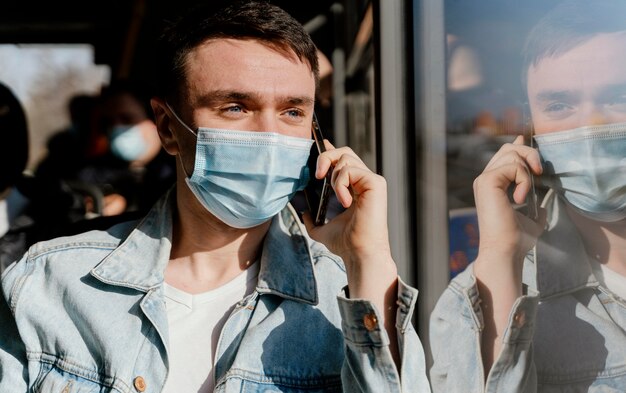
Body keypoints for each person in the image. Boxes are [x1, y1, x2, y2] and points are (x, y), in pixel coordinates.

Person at [0, 2, 431, 392]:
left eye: (293, 112)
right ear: (169, 128)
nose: (269, 134)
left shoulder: (348, 294)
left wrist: (370, 258)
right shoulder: (52, 284)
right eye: (235, 107)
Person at [430, 0, 626, 392]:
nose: (591, 124)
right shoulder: (472, 304)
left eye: (616, 97)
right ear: (529, 130)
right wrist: (502, 256)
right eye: (559, 105)